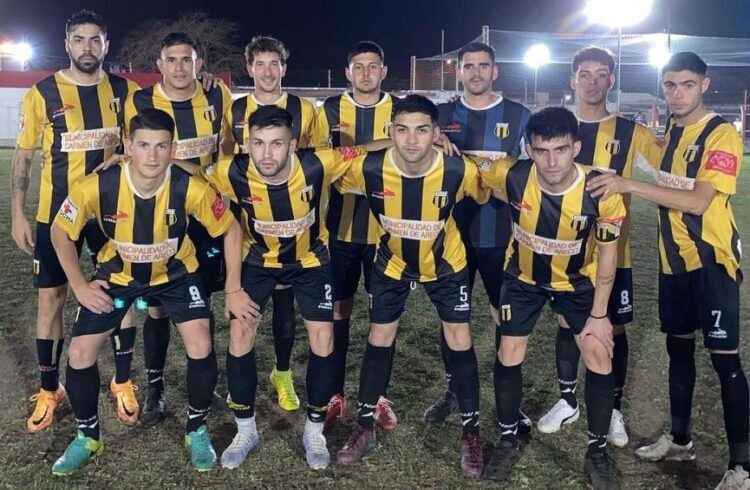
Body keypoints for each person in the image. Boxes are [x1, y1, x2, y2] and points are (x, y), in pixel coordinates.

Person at [48, 108, 256, 475]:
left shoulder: (190, 187)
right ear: (128, 146)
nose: (152, 156)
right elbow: (60, 230)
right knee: (80, 352)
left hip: (177, 274)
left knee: (201, 342)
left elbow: (230, 229)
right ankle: (88, 436)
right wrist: (79, 284)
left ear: (172, 149)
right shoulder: (99, 185)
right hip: (118, 275)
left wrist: (234, 287)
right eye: (143, 145)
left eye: (161, 146)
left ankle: (196, 429)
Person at [587, 51, 748, 490]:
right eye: (670, 85)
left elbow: (698, 202)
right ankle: (680, 442)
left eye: (687, 85)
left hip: (711, 262)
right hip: (672, 263)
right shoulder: (672, 131)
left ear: (704, 85)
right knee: (679, 352)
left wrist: (628, 184)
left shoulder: (720, 133)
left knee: (726, 362)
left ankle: (742, 467)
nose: (677, 94)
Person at [201, 106, 386, 470]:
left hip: (310, 261)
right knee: (239, 332)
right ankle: (245, 430)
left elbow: (365, 149)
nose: (266, 153)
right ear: (248, 143)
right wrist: (128, 160)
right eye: (258, 143)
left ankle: (314, 431)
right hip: (257, 262)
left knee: (323, 338)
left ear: (293, 144)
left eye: (276, 143)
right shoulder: (231, 170)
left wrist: (413, 140)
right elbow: (189, 173)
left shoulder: (318, 164)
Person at [334, 95, 488, 478]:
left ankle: (471, 434)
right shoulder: (368, 167)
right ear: (391, 132)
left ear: (436, 134)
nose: (412, 140)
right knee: (379, 336)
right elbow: (323, 167)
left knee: (459, 338)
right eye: (402, 130)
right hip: (392, 262)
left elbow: (498, 184)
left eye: (422, 130)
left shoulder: (458, 169)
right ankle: (364, 426)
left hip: (446, 265)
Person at [480, 107, 626, 489]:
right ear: (529, 150)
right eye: (542, 151)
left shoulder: (600, 190)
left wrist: (599, 315)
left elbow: (608, 254)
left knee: (597, 351)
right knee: (509, 350)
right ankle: (507, 440)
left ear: (575, 147)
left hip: (576, 282)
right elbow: (471, 171)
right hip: (523, 278)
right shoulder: (510, 174)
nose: (551, 161)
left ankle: (596, 452)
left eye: (560, 149)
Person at [10, 9, 140, 432]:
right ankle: (50, 389)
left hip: (110, 212)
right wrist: (17, 213)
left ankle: (122, 380)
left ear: (106, 44)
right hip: (55, 214)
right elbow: (24, 156)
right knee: (51, 298)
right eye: (79, 39)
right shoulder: (42, 92)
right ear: (67, 44)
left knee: (120, 293)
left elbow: (150, 132)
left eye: (95, 39)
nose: (88, 47)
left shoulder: (125, 91)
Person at [536, 46, 661, 448]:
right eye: (585, 74)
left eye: (601, 73)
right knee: (565, 322)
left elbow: (671, 166)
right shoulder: (555, 126)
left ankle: (614, 409)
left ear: (612, 79)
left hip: (614, 252)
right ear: (572, 79)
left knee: (613, 327)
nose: (592, 81)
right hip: (564, 253)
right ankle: (567, 400)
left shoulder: (630, 131)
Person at [123, 31, 234, 425]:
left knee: (202, 302)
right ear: (160, 65)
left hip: (203, 217)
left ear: (198, 64)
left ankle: (206, 385)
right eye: (171, 60)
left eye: (187, 59)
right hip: (158, 213)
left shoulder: (216, 95)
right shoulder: (140, 101)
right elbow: (130, 150)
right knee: (156, 308)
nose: (179, 67)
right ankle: (155, 389)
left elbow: (227, 145)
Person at [425, 40, 533, 435]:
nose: (475, 72)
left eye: (482, 65)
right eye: (468, 66)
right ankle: (454, 390)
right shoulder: (440, 116)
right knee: (451, 316)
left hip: (501, 235)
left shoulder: (519, 116)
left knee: (504, 315)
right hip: (450, 235)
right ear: (458, 72)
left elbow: (533, 173)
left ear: (495, 71)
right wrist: (432, 141)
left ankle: (509, 400)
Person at [225, 35, 318, 412]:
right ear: (249, 69)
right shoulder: (234, 109)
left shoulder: (304, 109)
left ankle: (282, 373)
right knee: (243, 311)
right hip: (251, 227)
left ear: (284, 68)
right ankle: (239, 382)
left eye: (274, 64)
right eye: (260, 64)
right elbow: (227, 160)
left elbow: (316, 161)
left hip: (293, 226)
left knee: (285, 302)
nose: (267, 71)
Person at [311, 40, 397, 430]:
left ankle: (378, 396)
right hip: (339, 229)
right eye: (358, 66)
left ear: (384, 71)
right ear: (348, 72)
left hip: (387, 232)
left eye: (372, 66)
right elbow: (318, 162)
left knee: (384, 316)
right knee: (337, 311)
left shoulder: (399, 110)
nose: (365, 73)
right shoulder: (329, 111)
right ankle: (335, 394)